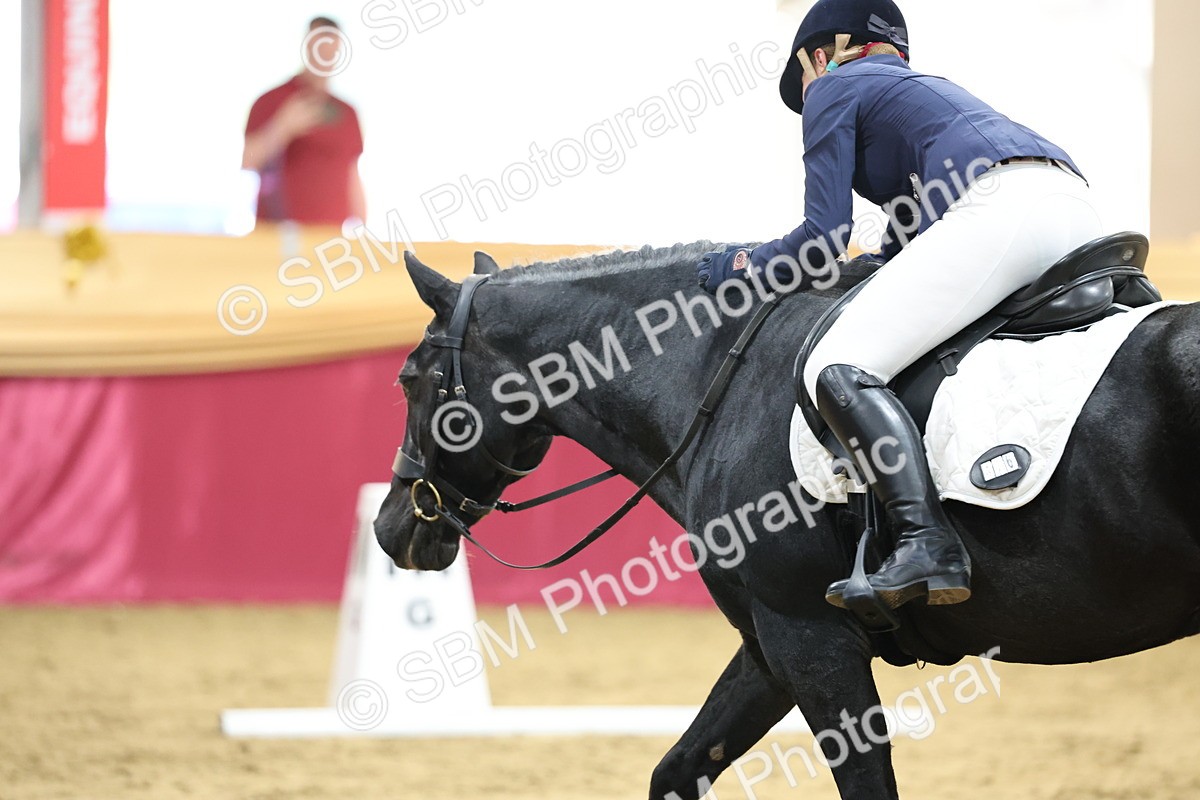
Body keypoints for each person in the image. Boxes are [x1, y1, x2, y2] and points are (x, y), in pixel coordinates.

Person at [696, 0, 1102, 610]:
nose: (808, 96)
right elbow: (899, 249)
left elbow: (823, 240)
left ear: (822, 52)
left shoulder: (835, 86)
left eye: (804, 78)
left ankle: (925, 540)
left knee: (836, 367)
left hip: (1001, 209)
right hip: (1074, 207)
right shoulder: (926, 96)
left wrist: (741, 263)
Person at [242, 16, 365, 226]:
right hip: (278, 235)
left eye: (331, 46)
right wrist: (282, 128)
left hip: (331, 239)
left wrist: (364, 233)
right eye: (318, 44)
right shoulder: (272, 101)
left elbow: (352, 175)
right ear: (306, 45)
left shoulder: (348, 113)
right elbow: (248, 160)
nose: (324, 53)